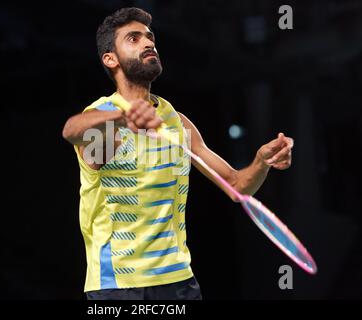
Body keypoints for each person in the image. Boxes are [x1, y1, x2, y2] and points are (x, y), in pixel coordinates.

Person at [62, 7, 293, 300]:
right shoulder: (103, 117)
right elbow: (72, 130)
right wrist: (122, 118)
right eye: (133, 39)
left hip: (179, 281)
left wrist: (261, 162)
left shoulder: (177, 122)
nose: (148, 44)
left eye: (149, 37)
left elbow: (236, 187)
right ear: (111, 59)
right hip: (119, 285)